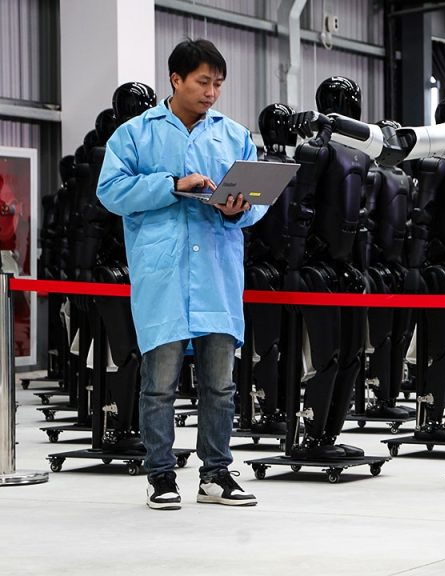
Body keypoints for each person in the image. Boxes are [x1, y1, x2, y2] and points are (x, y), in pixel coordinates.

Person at [97, 38, 266, 510]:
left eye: (218, 84)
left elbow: (257, 202)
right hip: (164, 275)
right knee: (159, 384)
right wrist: (171, 185)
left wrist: (238, 209)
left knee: (220, 385)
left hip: (216, 274)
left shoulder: (234, 135)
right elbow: (111, 191)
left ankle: (216, 475)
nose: (212, 92)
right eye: (203, 82)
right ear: (176, 79)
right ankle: (161, 476)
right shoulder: (135, 134)